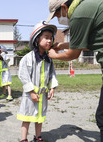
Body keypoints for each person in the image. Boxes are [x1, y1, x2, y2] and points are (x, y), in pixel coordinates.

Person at [46, 0, 103, 141]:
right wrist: (62, 45)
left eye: (58, 15)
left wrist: (55, 55)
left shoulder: (78, 15)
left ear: (64, 7)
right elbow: (89, 43)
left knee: (102, 116)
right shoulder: (89, 6)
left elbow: (73, 54)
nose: (60, 19)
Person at [17, 21, 58, 142]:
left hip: (42, 95)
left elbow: (52, 74)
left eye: (51, 38)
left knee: (39, 118)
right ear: (36, 39)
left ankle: (38, 137)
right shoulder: (28, 58)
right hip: (31, 95)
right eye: (46, 37)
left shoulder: (49, 59)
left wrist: (52, 88)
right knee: (27, 117)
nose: (49, 41)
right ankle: (24, 139)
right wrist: (31, 92)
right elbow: (23, 75)